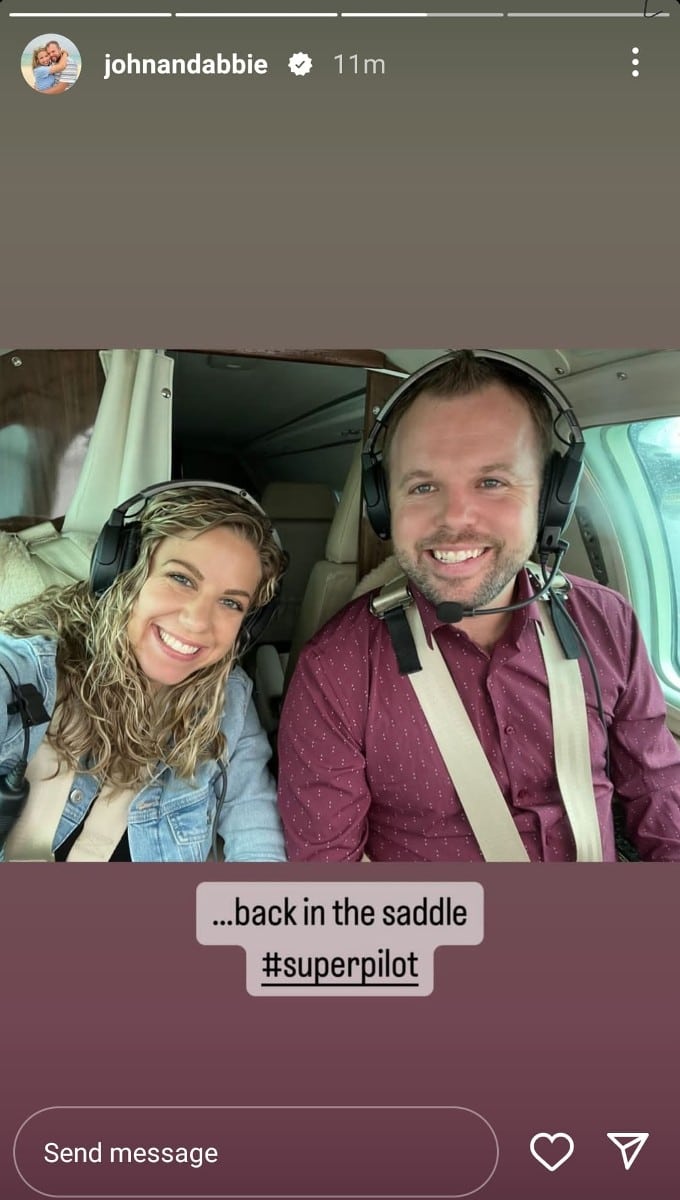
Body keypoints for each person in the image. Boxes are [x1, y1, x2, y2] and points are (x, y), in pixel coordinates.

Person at [277, 351, 680, 862]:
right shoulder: (335, 670)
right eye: (423, 486)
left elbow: (661, 793)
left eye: (492, 482)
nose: (456, 517)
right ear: (383, 505)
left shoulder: (609, 621)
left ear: (553, 497)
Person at [0, 483, 288, 862]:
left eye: (231, 602)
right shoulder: (28, 669)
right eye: (181, 579)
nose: (198, 621)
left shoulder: (229, 701)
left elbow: (258, 839)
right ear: (124, 571)